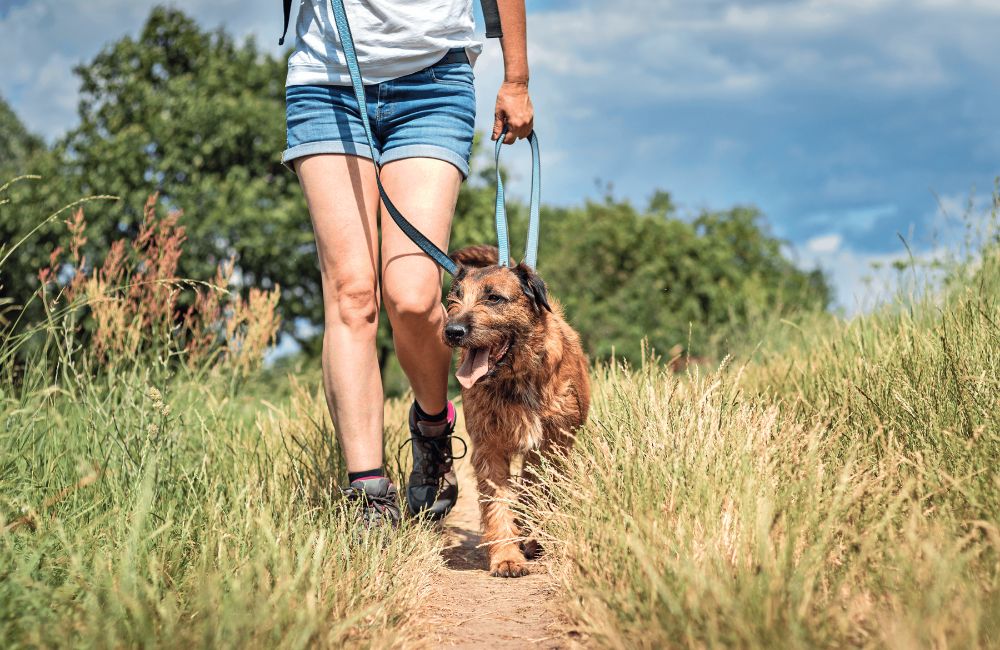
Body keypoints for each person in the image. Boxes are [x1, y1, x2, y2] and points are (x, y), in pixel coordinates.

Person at [281, 0, 534, 528]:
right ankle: (368, 491)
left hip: (433, 80)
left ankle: (433, 429)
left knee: (414, 297)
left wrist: (516, 78)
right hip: (326, 79)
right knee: (351, 294)